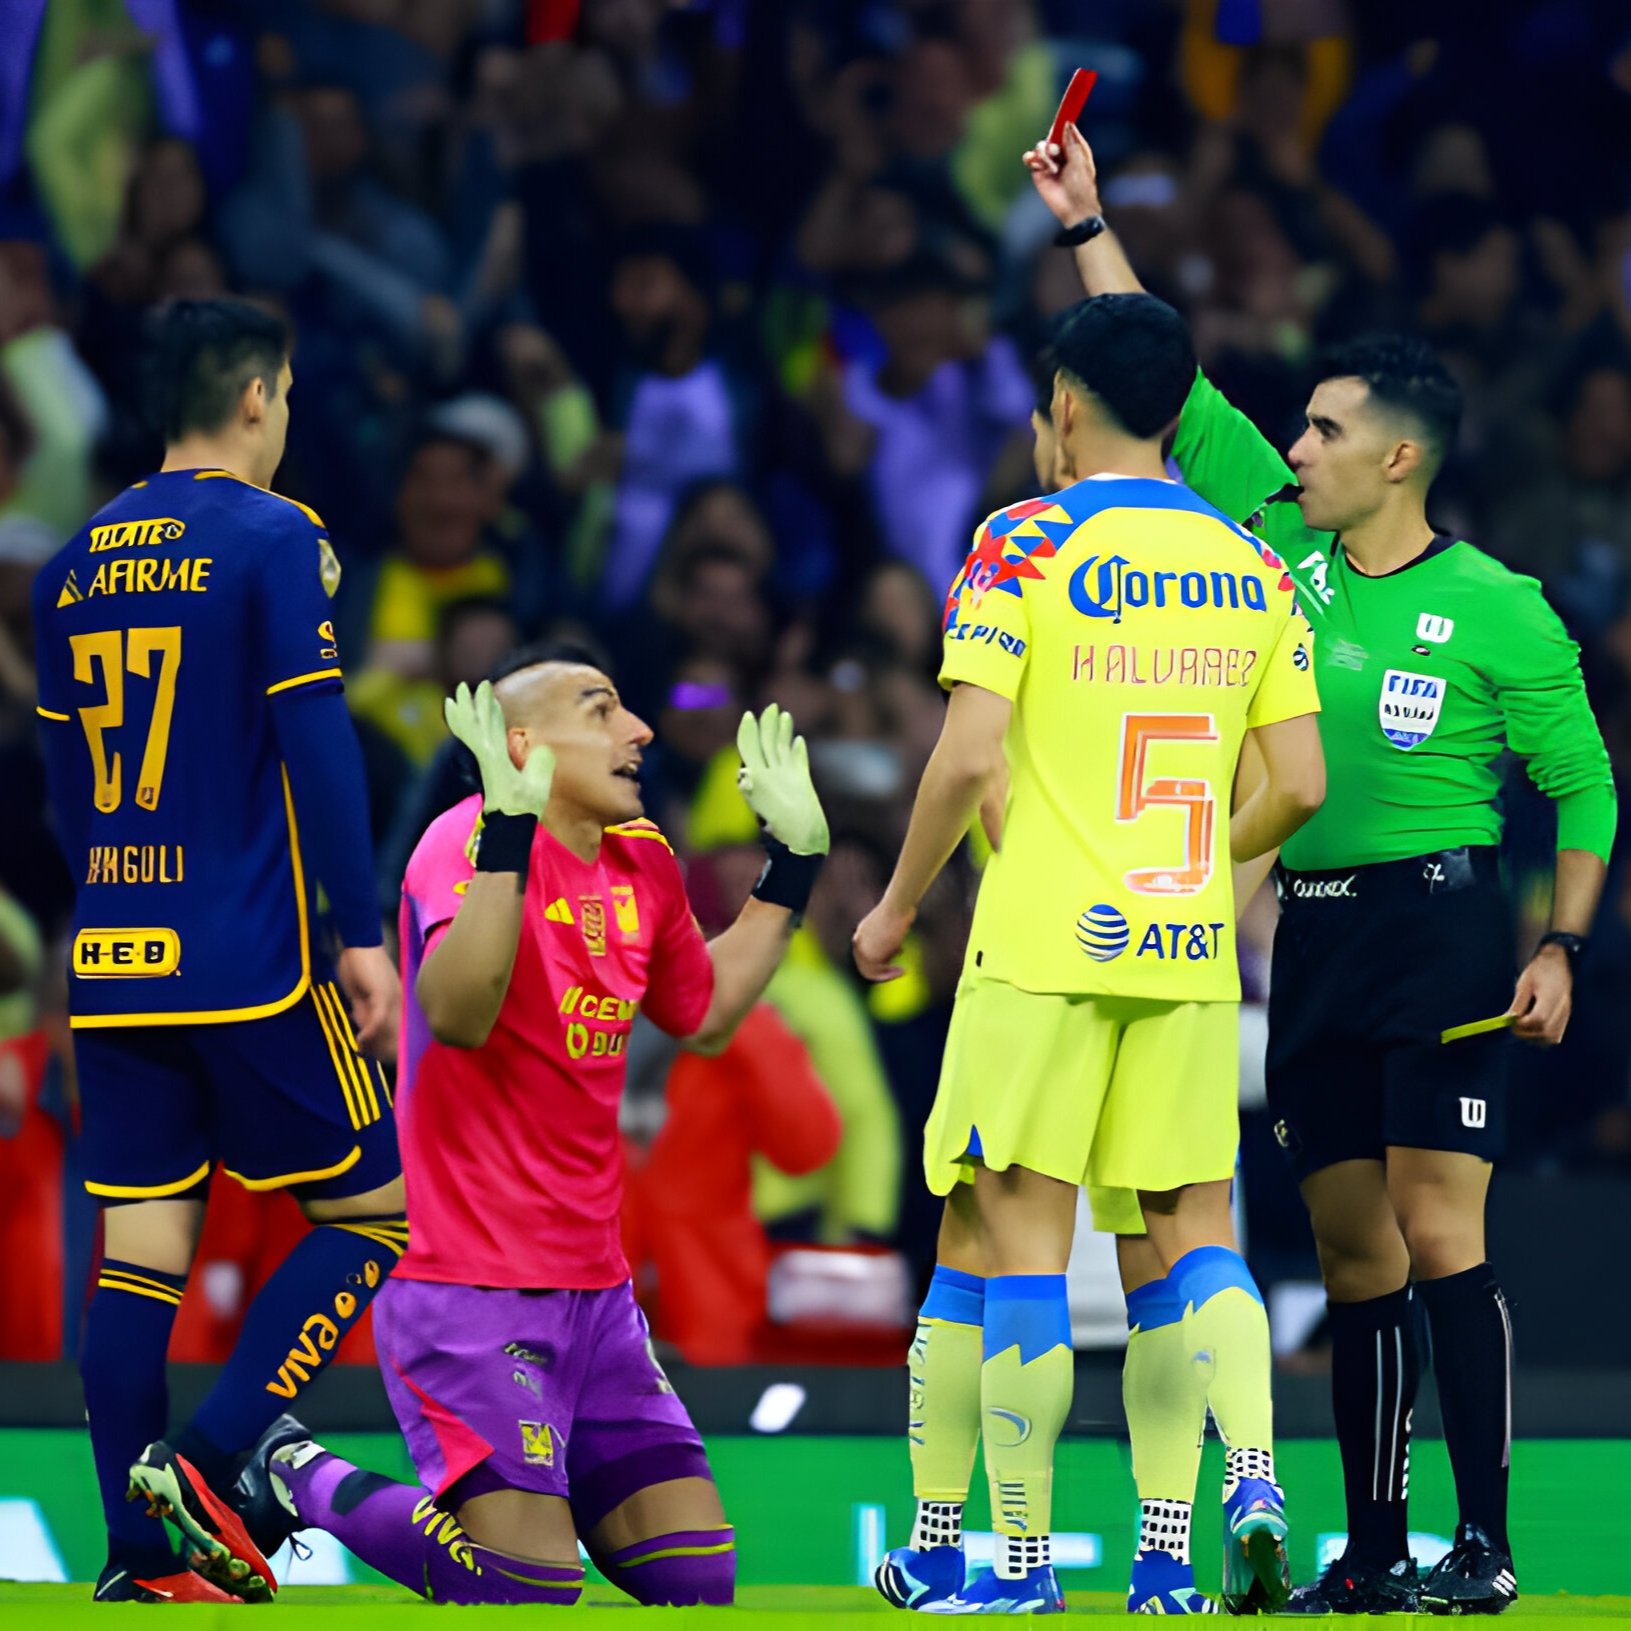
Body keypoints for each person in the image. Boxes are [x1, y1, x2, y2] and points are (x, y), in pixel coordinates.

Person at [1029, 123, 1617, 1614]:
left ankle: (1475, 1543)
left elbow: (1581, 783)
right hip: (1315, 936)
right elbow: (1162, 380)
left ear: (1395, 457)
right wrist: (1082, 224)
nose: (1288, 449)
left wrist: (1557, 947)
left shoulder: (1498, 608)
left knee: (1437, 1228)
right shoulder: (1275, 542)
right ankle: (1364, 1547)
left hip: (1440, 927)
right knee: (1350, 1256)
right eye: (1291, 433)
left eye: (1320, 433)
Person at [853, 291, 1325, 1615]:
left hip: (1042, 936)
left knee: (1011, 1242)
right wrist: (1201, 880)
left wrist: (894, 905)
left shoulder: (1021, 541)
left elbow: (963, 754)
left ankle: (1004, 1568)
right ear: (1178, 408)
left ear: (1062, 402)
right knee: (1188, 1233)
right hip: (1180, 950)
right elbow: (1296, 778)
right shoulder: (1253, 561)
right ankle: (1216, 1517)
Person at [225, 665, 831, 1607]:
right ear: (521, 746)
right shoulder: (457, 844)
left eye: (628, 705)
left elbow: (700, 1011)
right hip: (466, 1288)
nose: (638, 729)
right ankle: (289, 1466)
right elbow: (458, 1014)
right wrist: (509, 834)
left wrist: (790, 867)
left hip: (597, 1297)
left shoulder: (644, 859)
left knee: (696, 1577)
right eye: (600, 711)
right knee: (525, 1587)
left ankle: (535, 1495)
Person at [28, 298, 403, 1603]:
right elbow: (317, 746)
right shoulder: (274, 537)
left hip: (113, 956)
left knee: (139, 1251)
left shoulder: (68, 563)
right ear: (257, 398)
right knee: (379, 1206)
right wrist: (361, 936)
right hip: (245, 952)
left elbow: (64, 784)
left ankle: (140, 1559)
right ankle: (207, 1465)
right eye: (286, 398)